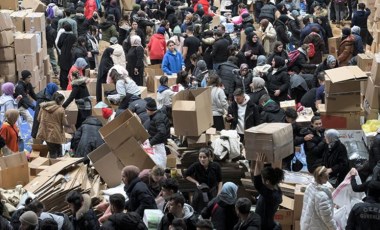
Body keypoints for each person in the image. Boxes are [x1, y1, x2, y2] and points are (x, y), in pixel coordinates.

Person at [251, 153, 284, 230]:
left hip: (264, 225)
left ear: (267, 181)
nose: (261, 179)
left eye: (263, 178)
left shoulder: (269, 195)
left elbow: (257, 183)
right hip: (269, 221)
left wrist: (259, 164)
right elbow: (276, 171)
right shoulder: (276, 188)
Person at [185, 148, 223, 213]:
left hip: (212, 191)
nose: (202, 159)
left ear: (209, 157)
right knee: (199, 210)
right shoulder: (196, 165)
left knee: (213, 210)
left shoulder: (216, 166)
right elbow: (186, 175)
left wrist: (219, 193)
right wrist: (196, 182)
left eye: (204, 157)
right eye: (200, 157)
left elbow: (220, 181)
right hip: (201, 191)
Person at [300, 166, 337, 230]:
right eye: (326, 176)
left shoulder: (310, 187)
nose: (328, 179)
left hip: (307, 224)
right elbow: (327, 219)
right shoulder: (322, 196)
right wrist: (334, 228)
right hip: (317, 226)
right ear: (320, 177)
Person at [36, 93, 67, 158]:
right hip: (56, 133)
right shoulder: (61, 110)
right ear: (60, 101)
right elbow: (65, 123)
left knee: (52, 150)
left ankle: (53, 164)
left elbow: (38, 119)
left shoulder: (43, 107)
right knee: (58, 150)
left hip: (44, 131)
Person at [57, 23, 77, 90]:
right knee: (70, 71)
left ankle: (63, 86)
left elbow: (58, 44)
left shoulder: (62, 35)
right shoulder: (73, 36)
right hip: (71, 56)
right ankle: (70, 85)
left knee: (63, 71)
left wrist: (63, 49)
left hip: (63, 55)